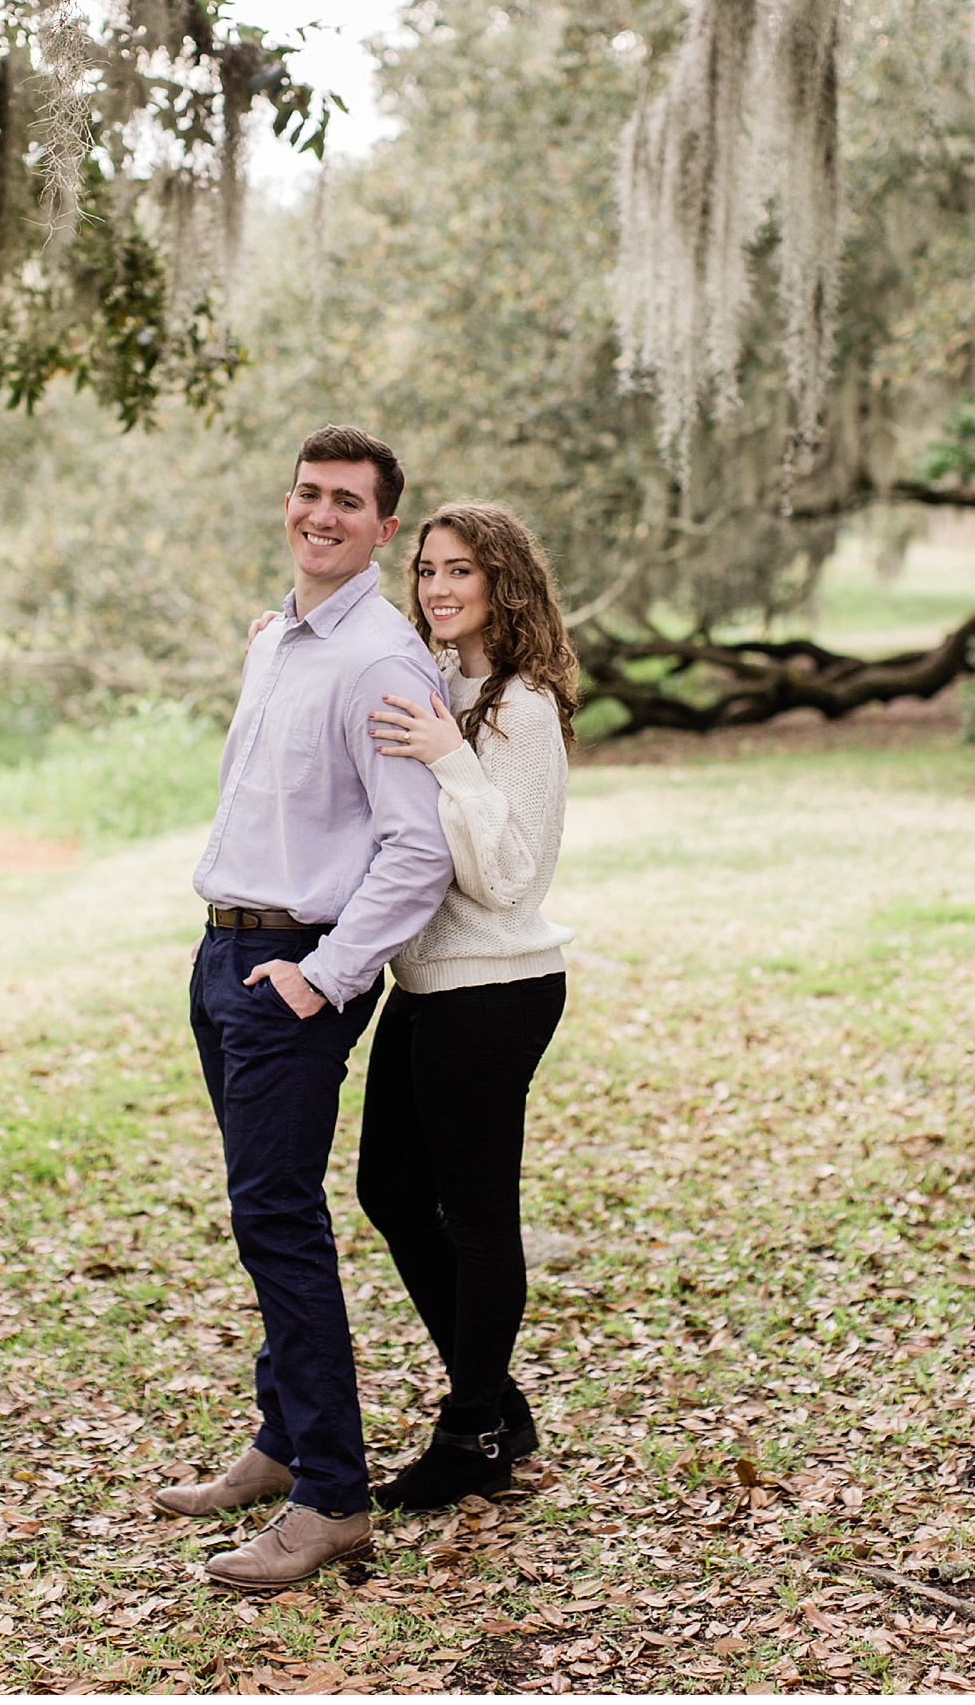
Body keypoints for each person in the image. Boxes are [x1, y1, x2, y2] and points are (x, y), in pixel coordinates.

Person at [157, 425, 455, 1589]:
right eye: (308, 493)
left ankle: (332, 1494)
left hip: (292, 971)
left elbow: (415, 849)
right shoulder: (279, 636)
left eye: (349, 502)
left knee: (279, 1223)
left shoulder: (381, 660)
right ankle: (282, 1442)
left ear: (386, 528)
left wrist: (323, 975)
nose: (320, 514)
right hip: (221, 955)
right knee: (260, 1212)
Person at [356, 501, 580, 1509]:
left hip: (496, 988)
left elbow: (510, 878)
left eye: (461, 570)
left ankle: (477, 1427)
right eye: (427, 570)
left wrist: (450, 755)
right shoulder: (438, 682)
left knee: (479, 1216)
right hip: (426, 984)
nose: (438, 588)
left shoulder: (521, 707)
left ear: (504, 582)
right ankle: (495, 1400)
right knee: (388, 1190)